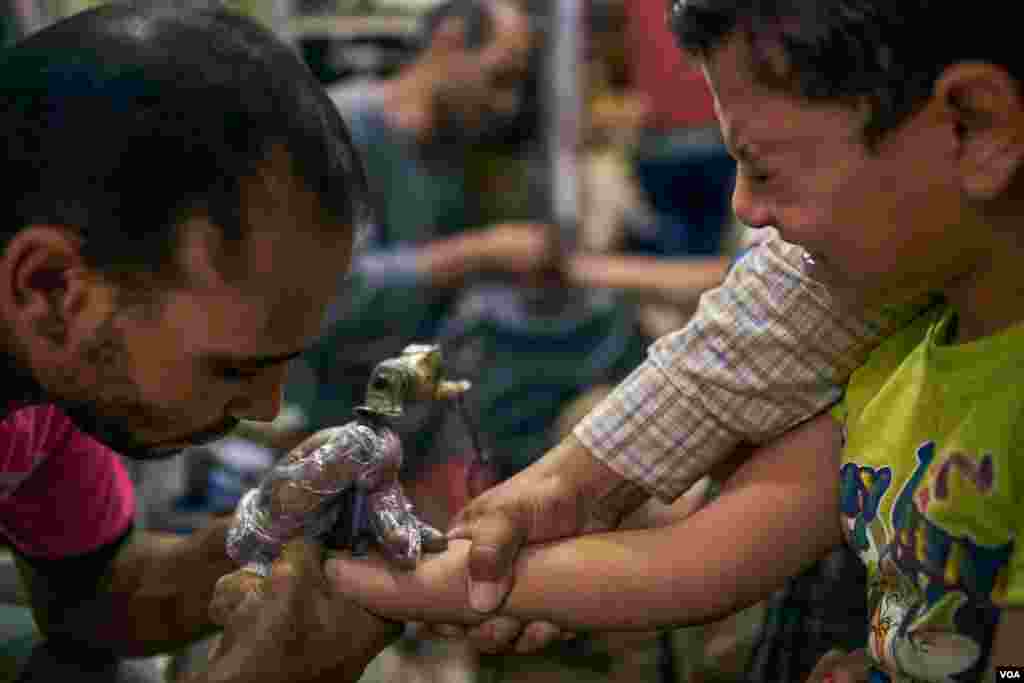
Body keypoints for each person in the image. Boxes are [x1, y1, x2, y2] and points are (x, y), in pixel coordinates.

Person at [325, 0, 1024, 679]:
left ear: (971, 125)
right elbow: (701, 558)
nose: (744, 207)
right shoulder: (892, 364)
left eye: (765, 166)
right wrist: (426, 581)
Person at [0, 2, 406, 680]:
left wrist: (268, 529)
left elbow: (98, 594)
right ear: (49, 287)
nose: (268, 408)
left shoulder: (41, 373)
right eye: (233, 368)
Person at [282, 0, 552, 442]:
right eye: (499, 78)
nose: (507, 104)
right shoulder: (341, 129)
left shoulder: (451, 151)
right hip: (314, 417)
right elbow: (331, 296)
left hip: (398, 417)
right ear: (448, 42)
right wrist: (476, 252)